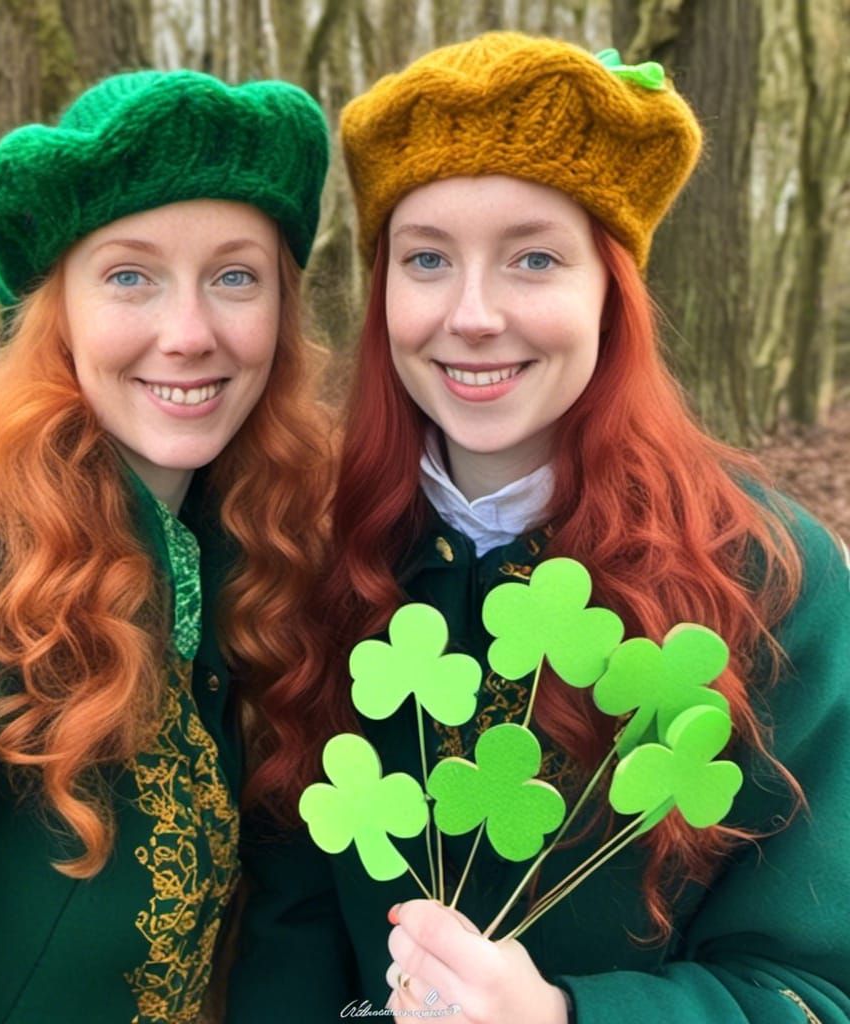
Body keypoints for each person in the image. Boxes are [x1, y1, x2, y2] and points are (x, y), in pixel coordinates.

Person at [225, 32, 850, 1024]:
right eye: (426, 258)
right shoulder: (320, 558)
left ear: (611, 289)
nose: (471, 314)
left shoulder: (769, 581)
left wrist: (563, 1016)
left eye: (533, 257)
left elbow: (816, 986)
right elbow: (285, 931)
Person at [0, 68, 331, 1024]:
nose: (188, 334)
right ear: (58, 316)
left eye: (234, 276)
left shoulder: (252, 553)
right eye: (130, 277)